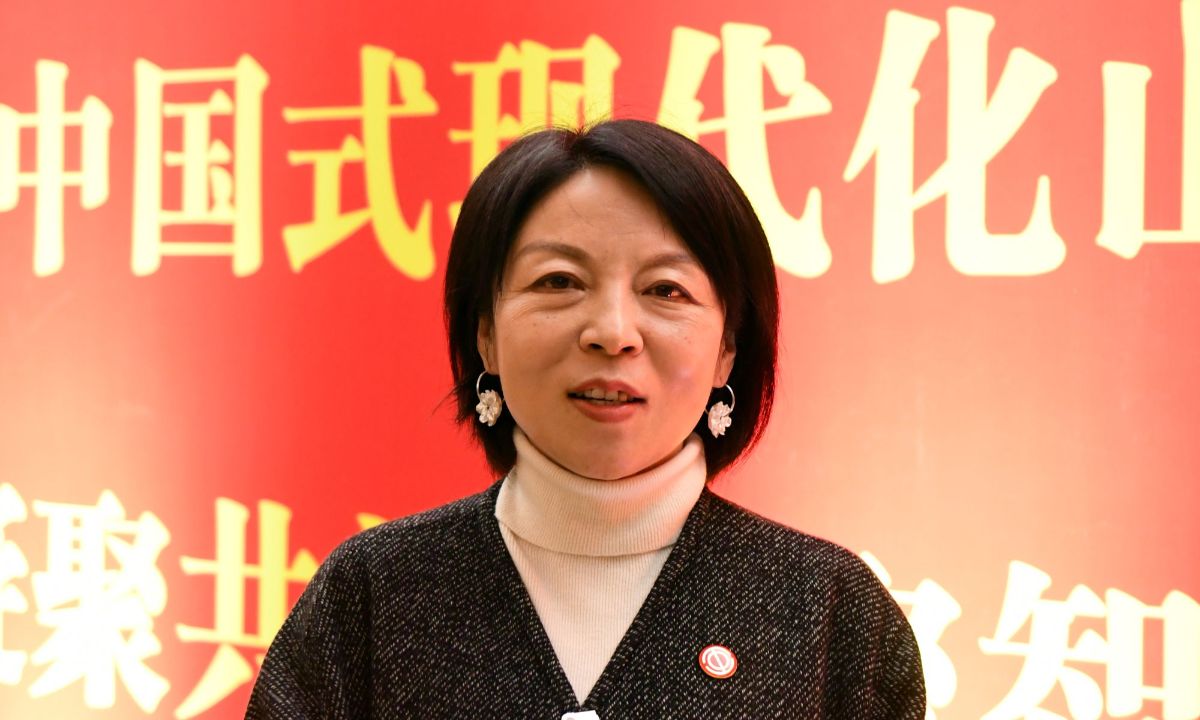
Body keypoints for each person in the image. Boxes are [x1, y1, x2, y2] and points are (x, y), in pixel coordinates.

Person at [246, 119, 925, 719]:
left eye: (666, 289)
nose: (612, 332)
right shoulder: (374, 593)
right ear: (486, 334)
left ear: (728, 349)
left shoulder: (831, 612)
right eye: (559, 282)